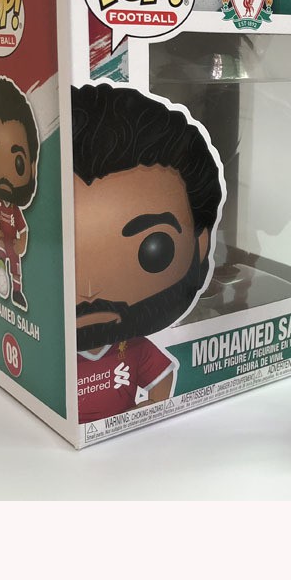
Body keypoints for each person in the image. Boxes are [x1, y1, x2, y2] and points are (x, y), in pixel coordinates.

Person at [72, 83, 224, 423]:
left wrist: (148, 411)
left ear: (201, 246)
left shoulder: (133, 347)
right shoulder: (52, 352)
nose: (91, 290)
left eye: (153, 250)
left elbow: (162, 377)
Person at [0, 77, 40, 312]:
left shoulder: (14, 210)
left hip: (13, 244)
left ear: (32, 166)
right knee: (3, 249)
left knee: (16, 267)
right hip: (4, 241)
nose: (3, 175)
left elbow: (24, 229)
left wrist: (21, 242)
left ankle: (17, 292)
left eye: (18, 162)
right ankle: (0, 264)